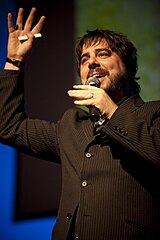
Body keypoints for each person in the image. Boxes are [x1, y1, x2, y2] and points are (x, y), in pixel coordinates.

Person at [0, 7, 160, 240]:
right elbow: (7, 125)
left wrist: (110, 111)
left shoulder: (153, 113)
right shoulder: (72, 126)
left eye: (103, 54)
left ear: (128, 67)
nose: (92, 62)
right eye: (85, 59)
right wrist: (14, 61)